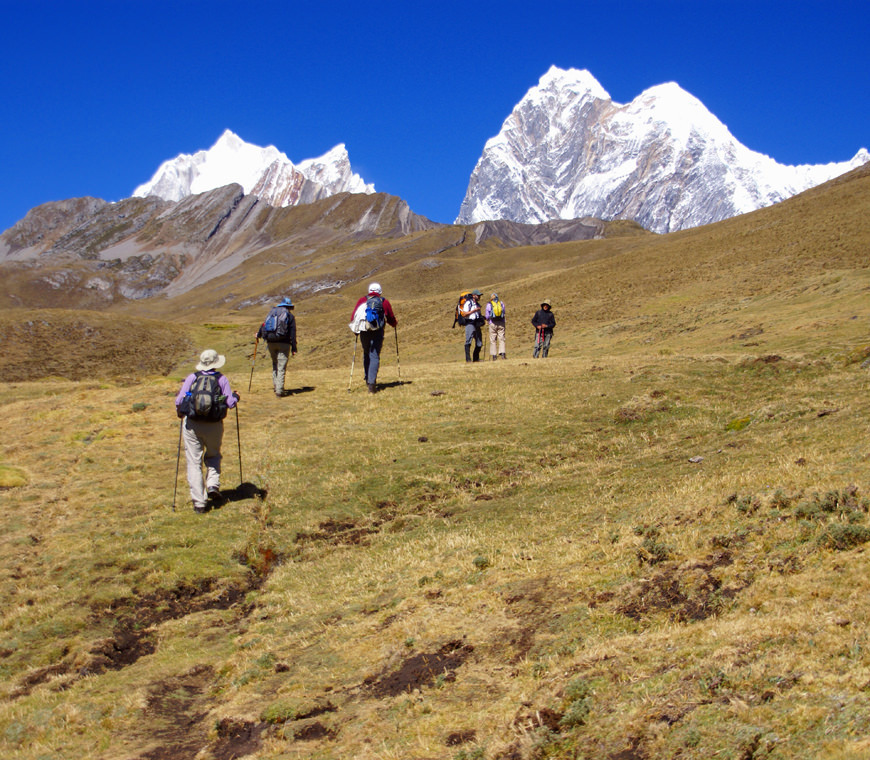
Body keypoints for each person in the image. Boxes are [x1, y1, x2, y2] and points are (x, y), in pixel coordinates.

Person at [175, 349, 239, 513]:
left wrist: (180, 411)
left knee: (194, 462)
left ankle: (199, 503)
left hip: (192, 424)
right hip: (214, 425)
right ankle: (212, 485)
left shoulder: (192, 378)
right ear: (216, 363)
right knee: (213, 454)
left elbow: (179, 400)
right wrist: (236, 396)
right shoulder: (221, 379)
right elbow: (230, 403)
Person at [350, 282, 397, 393]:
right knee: (374, 355)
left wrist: (355, 330)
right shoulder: (383, 302)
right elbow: (390, 317)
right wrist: (394, 324)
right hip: (377, 331)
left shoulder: (362, 300)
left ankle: (367, 379)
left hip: (364, 330)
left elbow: (354, 316)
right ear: (380, 291)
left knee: (366, 353)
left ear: (369, 290)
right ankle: (372, 384)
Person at [256, 296, 297, 397]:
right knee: (281, 366)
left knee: (275, 364)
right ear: (289, 307)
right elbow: (293, 333)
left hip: (270, 342)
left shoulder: (272, 313)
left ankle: (276, 386)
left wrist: (258, 335)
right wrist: (294, 347)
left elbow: (263, 325)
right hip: (284, 343)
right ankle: (279, 390)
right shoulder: (290, 316)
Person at [461, 289, 484, 362]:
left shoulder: (477, 304)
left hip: (477, 324)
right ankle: (468, 359)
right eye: (478, 295)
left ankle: (476, 359)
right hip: (470, 323)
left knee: (479, 342)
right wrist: (474, 310)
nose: (479, 297)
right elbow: (464, 314)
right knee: (468, 341)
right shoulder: (468, 303)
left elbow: (478, 314)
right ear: (474, 295)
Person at [485, 292, 507, 360]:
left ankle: (494, 355)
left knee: (493, 340)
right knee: (502, 338)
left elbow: (487, 315)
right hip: (501, 322)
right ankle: (502, 354)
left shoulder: (489, 304)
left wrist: (487, 320)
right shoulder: (501, 303)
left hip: (492, 323)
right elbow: (504, 312)